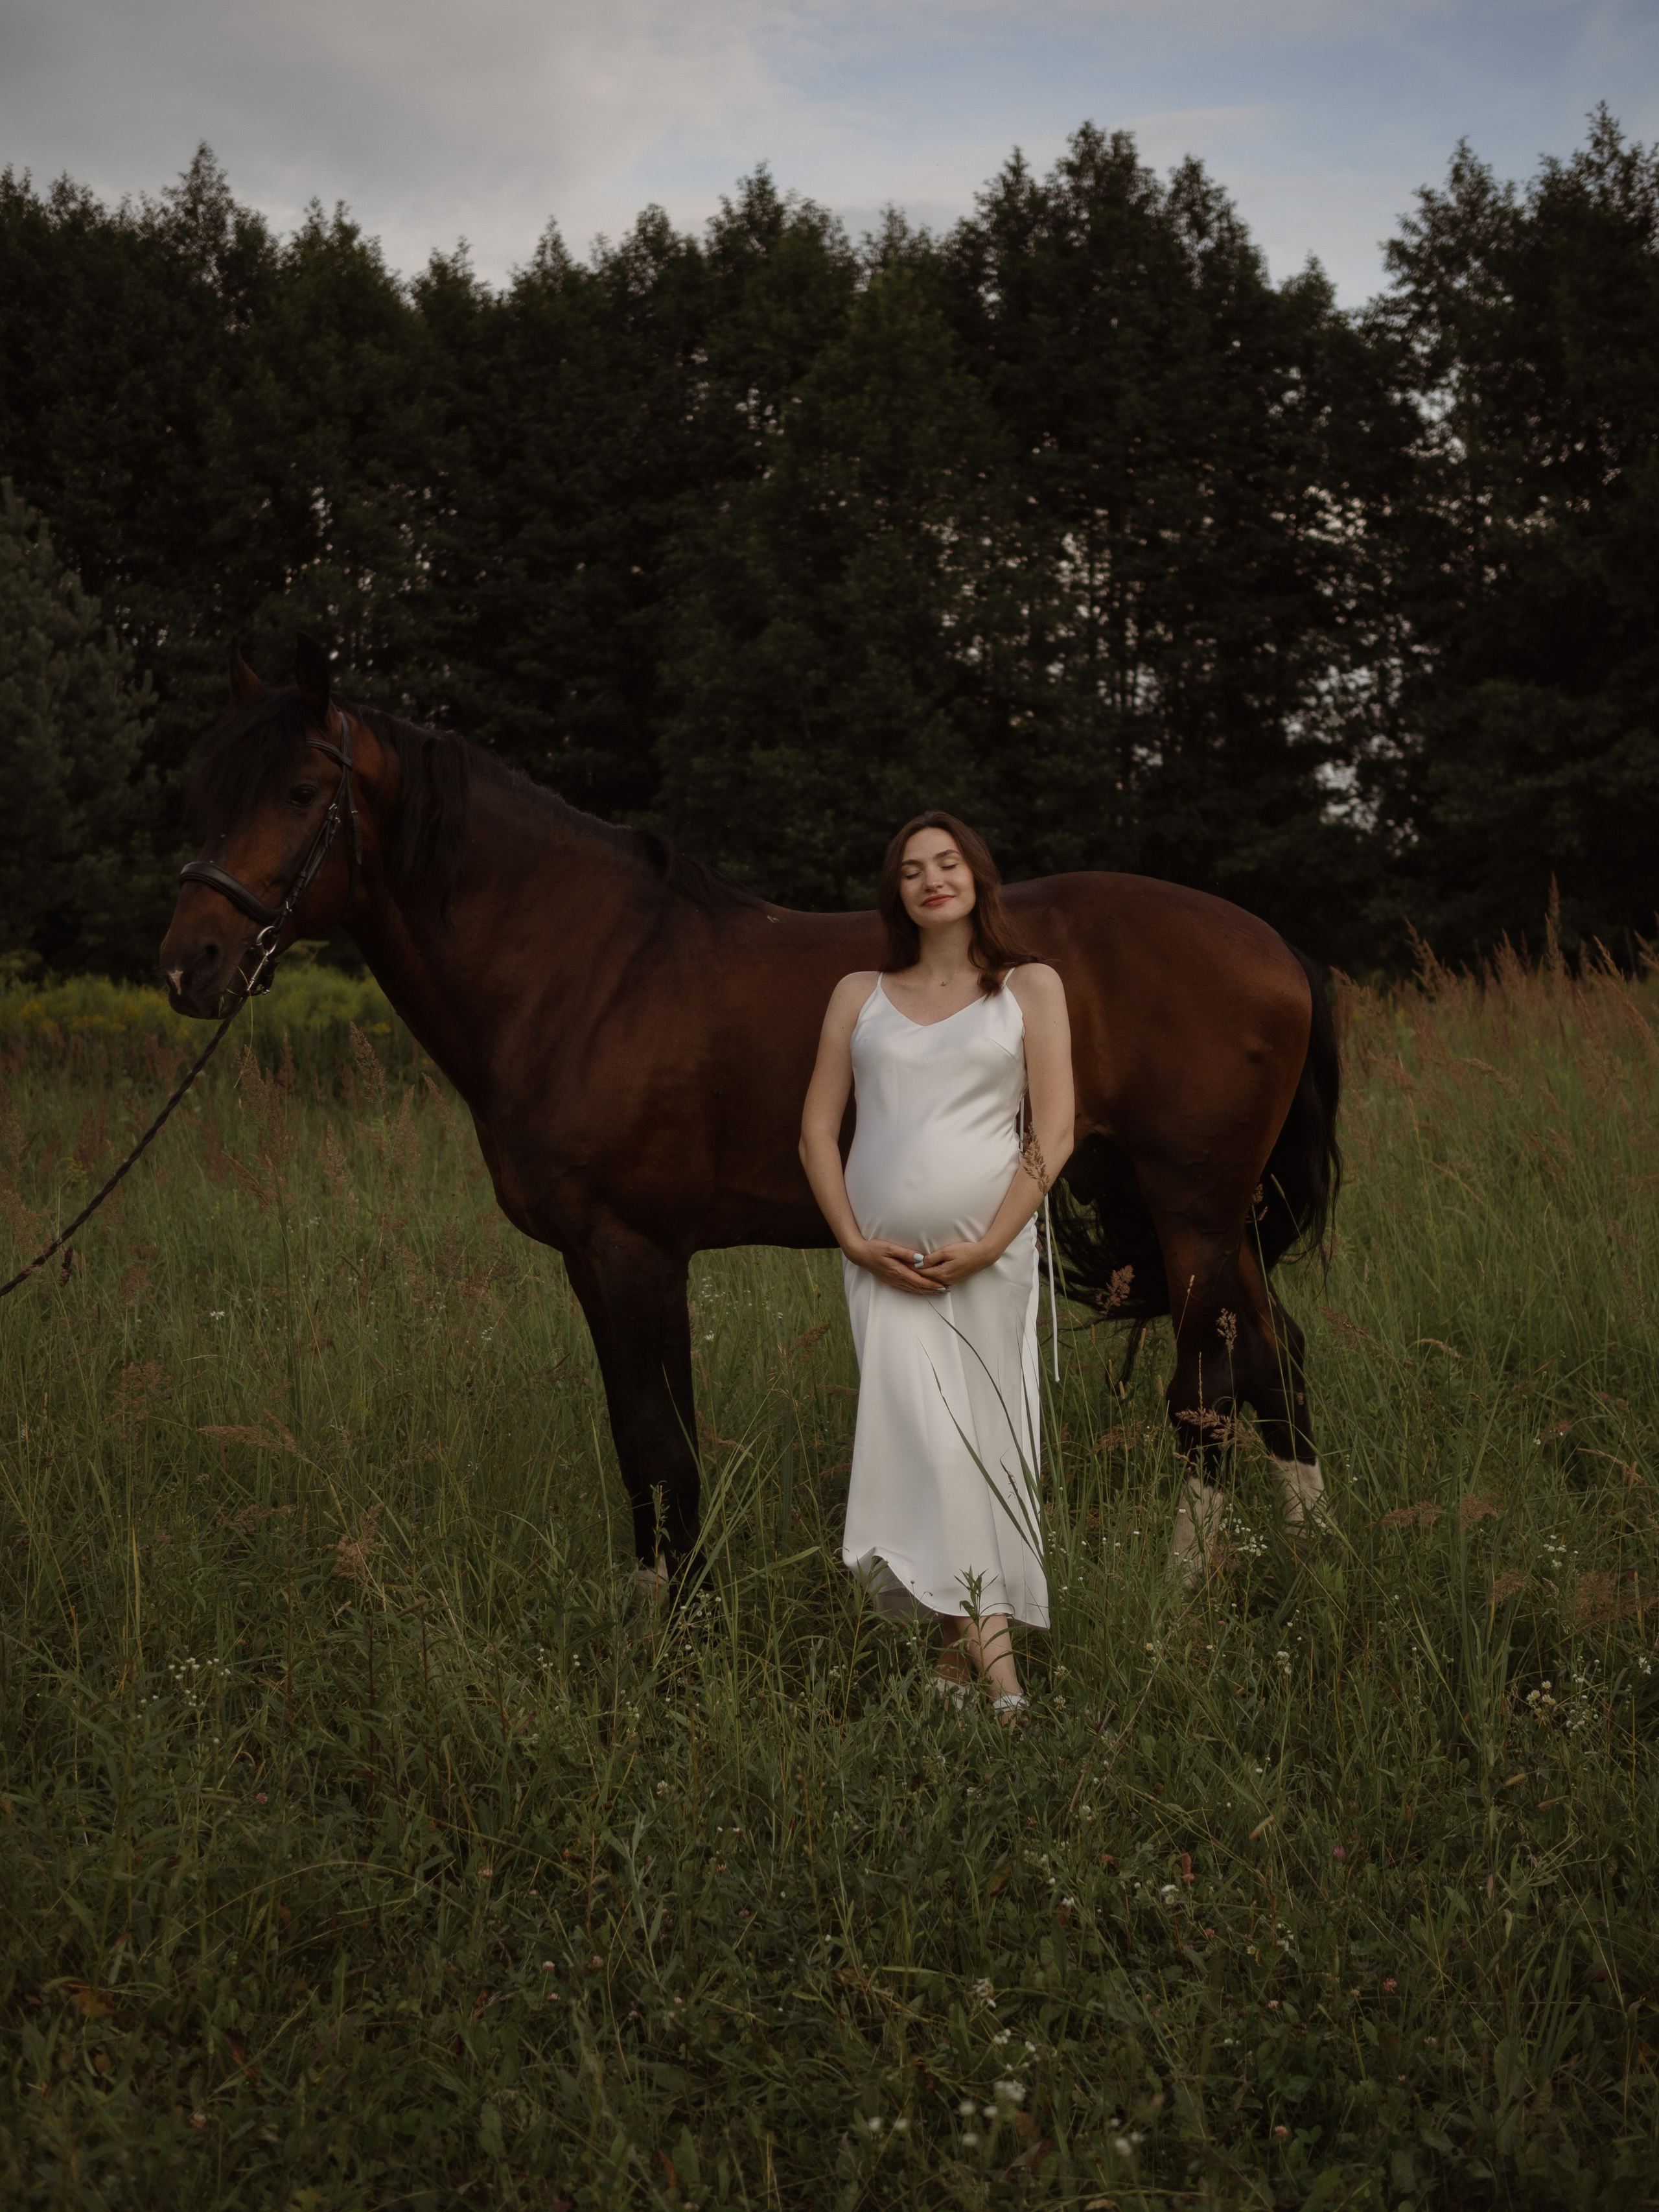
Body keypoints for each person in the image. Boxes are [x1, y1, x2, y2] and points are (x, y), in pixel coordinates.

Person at [799, 812, 1074, 1721]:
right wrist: (849, 1236)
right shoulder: (858, 993)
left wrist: (994, 1241)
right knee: (932, 1450)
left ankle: (964, 1675)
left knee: (983, 1451)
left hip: (988, 1264)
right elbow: (815, 1133)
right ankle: (1005, 1691)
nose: (931, 879)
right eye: (912, 869)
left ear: (975, 874)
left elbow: (1055, 1132)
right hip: (888, 1269)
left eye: (947, 861)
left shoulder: (1030, 987)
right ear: (899, 893)